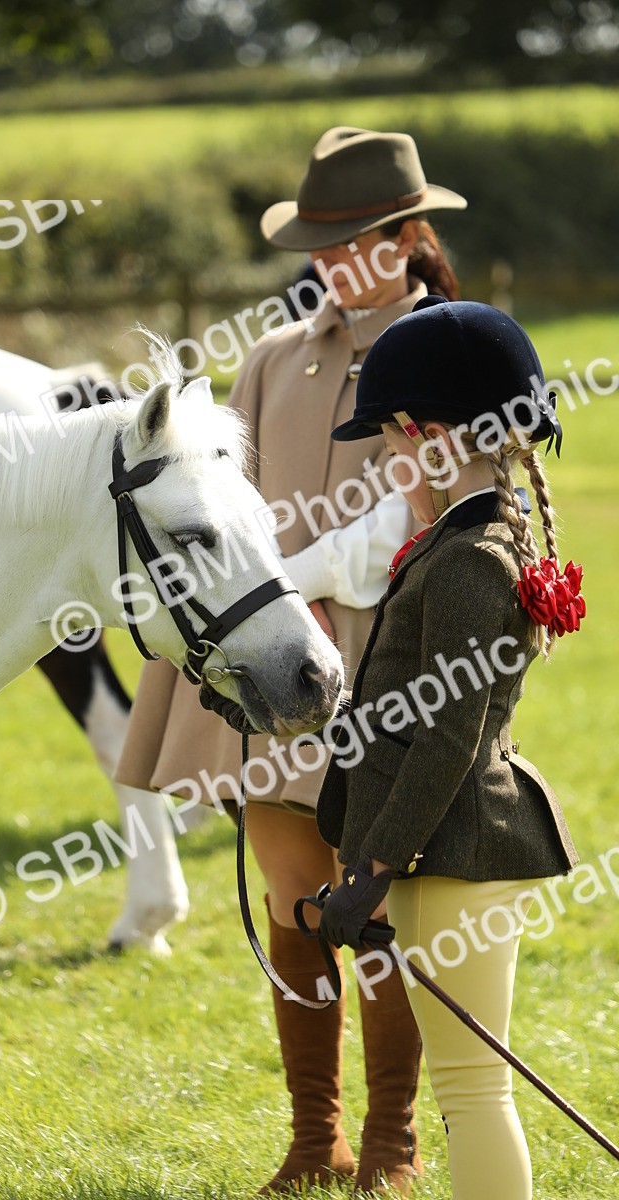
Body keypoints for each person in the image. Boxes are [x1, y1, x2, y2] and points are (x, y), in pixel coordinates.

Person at [116, 126, 467, 1195]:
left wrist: (291, 578)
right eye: (319, 243)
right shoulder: (272, 357)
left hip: (397, 656)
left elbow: (417, 516)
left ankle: (392, 1142)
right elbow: (225, 510)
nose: (331, 261)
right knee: (293, 899)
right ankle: (317, 1141)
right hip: (273, 659)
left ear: (407, 238)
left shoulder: (452, 347)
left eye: (353, 240)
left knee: (377, 904)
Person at [316, 296, 582, 1200]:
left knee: (473, 1091)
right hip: (442, 852)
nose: (388, 465)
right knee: (468, 1090)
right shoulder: (457, 542)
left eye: (389, 445)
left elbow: (445, 741)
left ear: (430, 439)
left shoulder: (470, 561)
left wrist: (374, 869)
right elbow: (403, 712)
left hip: (455, 850)